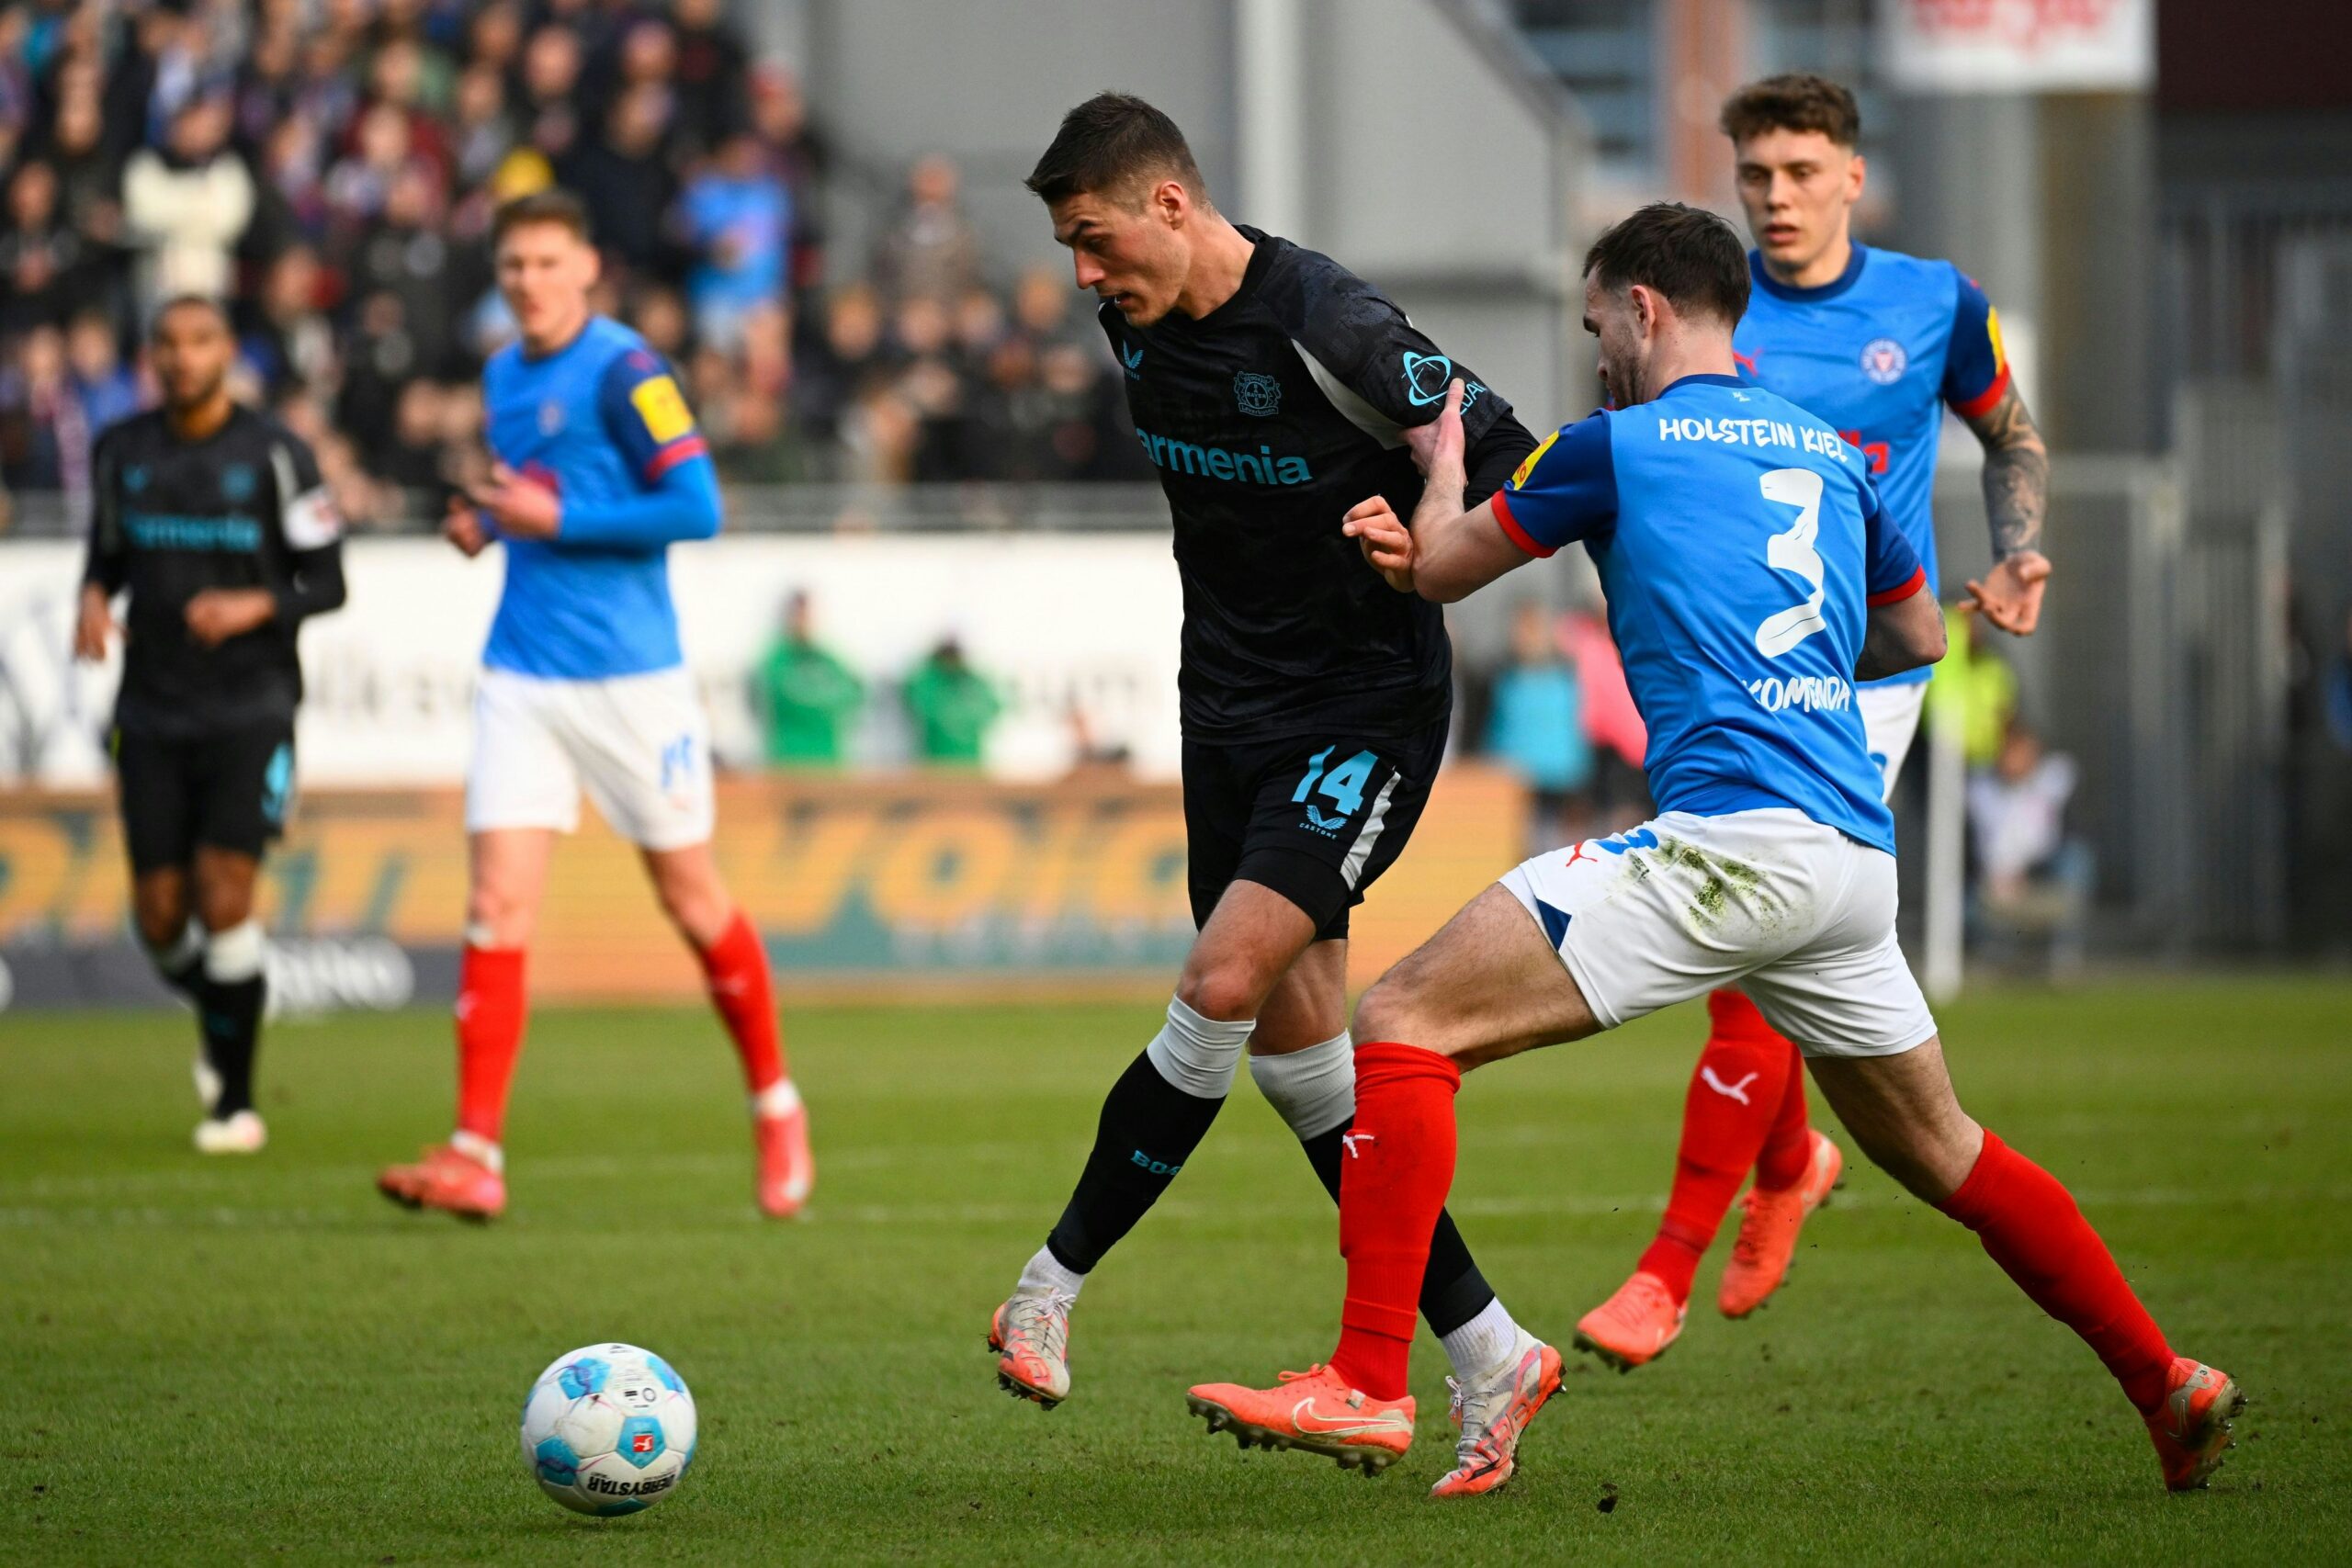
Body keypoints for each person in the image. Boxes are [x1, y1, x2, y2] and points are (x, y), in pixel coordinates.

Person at [1185, 203, 2240, 1496]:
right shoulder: (1833, 450)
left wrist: (1439, 458)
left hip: (1731, 842)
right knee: (1947, 1148)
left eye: (1595, 327)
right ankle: (2166, 1378)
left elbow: (1443, 572)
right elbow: (1914, 638)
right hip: (1851, 857)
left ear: (1643, 308)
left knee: (1400, 1020)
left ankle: (1367, 1378)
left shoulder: (1614, 445)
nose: (1595, 356)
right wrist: (1782, 658)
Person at [988, 94, 1558, 1500]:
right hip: (1221, 711)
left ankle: (1045, 1285)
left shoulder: (1333, 323)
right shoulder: (1137, 319)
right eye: (1068, 247)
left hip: (1362, 708)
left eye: (1096, 240)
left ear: (1171, 205)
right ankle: (1487, 1342)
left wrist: (1419, 530)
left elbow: (1511, 449)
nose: (1084, 278)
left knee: (1223, 973)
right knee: (1309, 1068)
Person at [1577, 74, 2060, 1366]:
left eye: (1799, 172)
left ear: (1853, 174)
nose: (1777, 198)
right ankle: (1787, 1156)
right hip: (1723, 672)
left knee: (1752, 924)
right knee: (1763, 943)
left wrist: (2018, 549)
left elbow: (2010, 430)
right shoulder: (1701, 323)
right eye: (1755, 176)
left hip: (1868, 678)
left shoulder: (1935, 303)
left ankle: (1665, 1266)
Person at [375, 189, 813, 1223]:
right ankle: (476, 1149)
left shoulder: (626, 370)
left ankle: (776, 1102)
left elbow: (696, 505)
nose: (527, 282)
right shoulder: (501, 373)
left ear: (585, 270)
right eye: (512, 265)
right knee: (496, 906)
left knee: (691, 901)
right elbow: (533, 492)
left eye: (545, 262)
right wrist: (493, 523)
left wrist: (555, 517)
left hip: (629, 680)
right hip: (521, 672)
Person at [73, 294, 346, 1154]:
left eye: (199, 342)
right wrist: (90, 598)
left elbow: (329, 581)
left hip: (250, 706)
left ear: (227, 350)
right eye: (168, 344)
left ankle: (234, 1104)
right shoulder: (123, 449)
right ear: (151, 357)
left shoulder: (278, 453)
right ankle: (226, 1008)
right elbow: (106, 555)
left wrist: (253, 604)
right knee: (159, 917)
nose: (183, 357)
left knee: (226, 892)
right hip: (150, 708)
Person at [1482, 602, 1592, 854]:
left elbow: (1576, 728)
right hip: (1515, 782)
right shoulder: (1503, 678)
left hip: (1560, 781)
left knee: (1555, 848)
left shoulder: (1566, 677)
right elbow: (1496, 728)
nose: (1527, 638)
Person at [753, 590, 864, 767]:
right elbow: (787, 699)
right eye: (798, 616)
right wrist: (824, 700)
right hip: (789, 761)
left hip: (830, 761)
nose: (803, 622)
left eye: (807, 616)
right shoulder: (777, 660)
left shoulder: (827, 658)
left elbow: (856, 690)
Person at [902, 635, 1001, 766]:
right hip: (936, 762)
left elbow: (994, 706)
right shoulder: (929, 681)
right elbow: (915, 693)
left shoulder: (974, 682)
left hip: (972, 763)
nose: (951, 663)